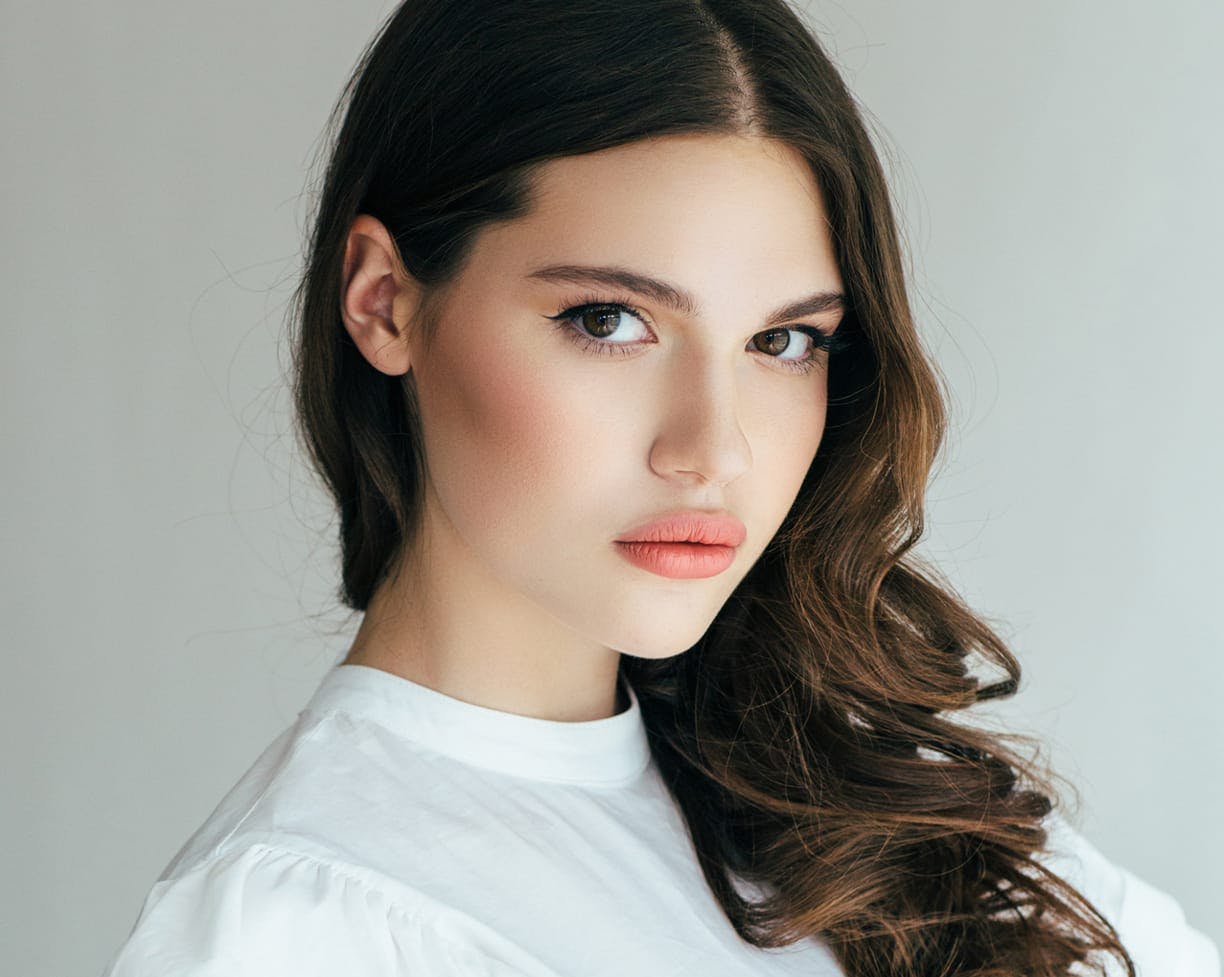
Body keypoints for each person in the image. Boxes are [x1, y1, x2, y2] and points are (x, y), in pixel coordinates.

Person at [101, 1, 1220, 975]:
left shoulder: (872, 802)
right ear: (386, 300)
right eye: (609, 321)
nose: (713, 447)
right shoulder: (294, 920)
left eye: (782, 340)